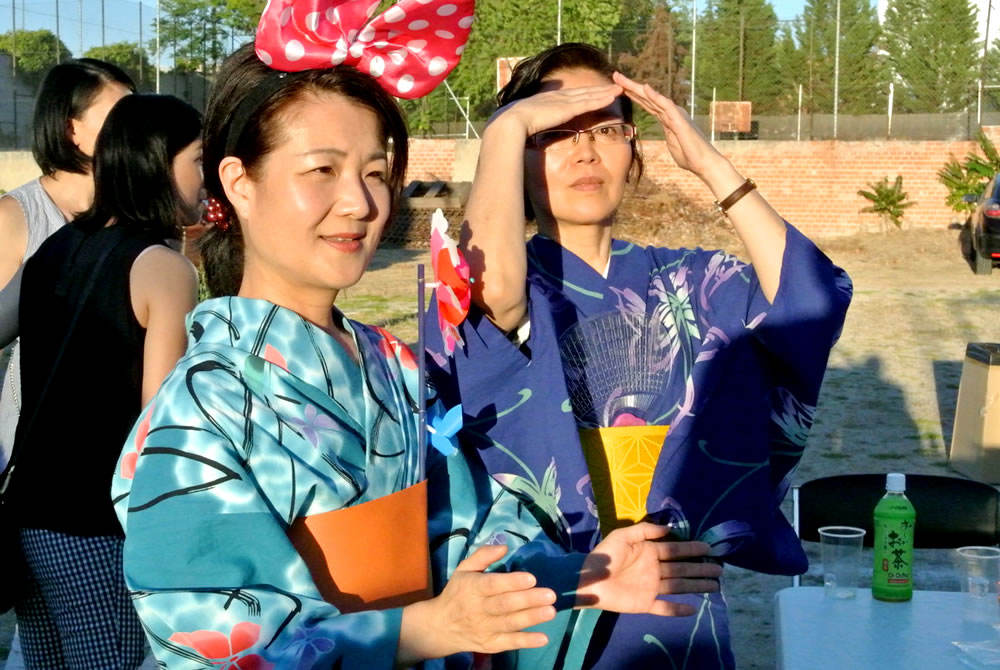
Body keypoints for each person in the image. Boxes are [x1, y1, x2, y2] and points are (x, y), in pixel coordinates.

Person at [109, 24, 723, 669]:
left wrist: (584, 576)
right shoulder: (203, 406)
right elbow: (215, 645)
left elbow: (465, 533)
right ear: (239, 181)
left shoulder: (388, 361)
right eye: (322, 170)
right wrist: (424, 630)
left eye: (375, 173)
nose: (359, 202)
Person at [424, 43, 853, 668]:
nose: (585, 151)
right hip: (548, 601)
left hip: (676, 604)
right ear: (515, 155)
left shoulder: (690, 281)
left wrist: (709, 163)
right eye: (553, 131)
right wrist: (505, 128)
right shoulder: (507, 286)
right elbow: (488, 296)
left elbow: (809, 301)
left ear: (634, 151)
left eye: (606, 129)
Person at [0, 93, 202, 669]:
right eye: (198, 160)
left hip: (28, 515)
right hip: (97, 525)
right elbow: (158, 427)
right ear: (158, 163)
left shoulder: (55, 247)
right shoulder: (163, 268)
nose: (207, 178)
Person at [0, 58, 135, 471]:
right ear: (71, 130)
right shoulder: (15, 215)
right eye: (120, 117)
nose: (135, 129)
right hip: (41, 447)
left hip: (123, 439)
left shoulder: (137, 213)